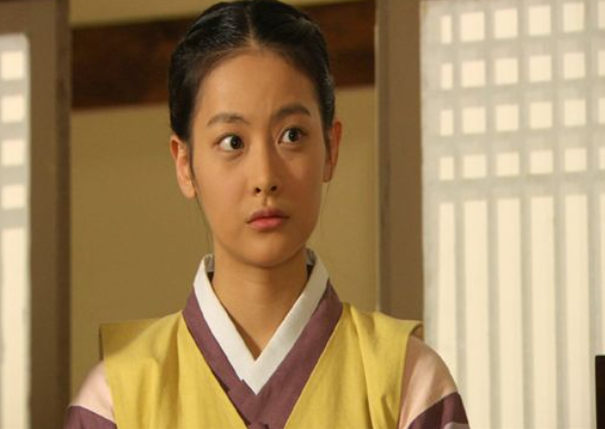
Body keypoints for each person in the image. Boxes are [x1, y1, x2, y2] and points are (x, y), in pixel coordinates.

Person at [65, 1, 469, 428]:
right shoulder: (115, 397)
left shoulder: (408, 380)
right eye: (232, 142)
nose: (264, 177)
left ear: (330, 148)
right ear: (184, 164)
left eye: (291, 135)